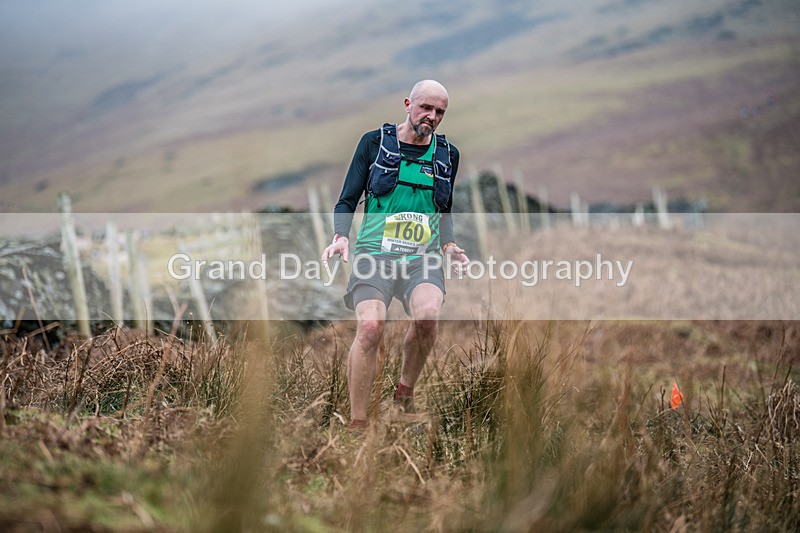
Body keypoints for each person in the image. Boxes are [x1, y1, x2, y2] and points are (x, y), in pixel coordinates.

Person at [321, 80, 469, 429]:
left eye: (440, 112)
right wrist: (340, 237)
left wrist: (448, 245)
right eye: (426, 108)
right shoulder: (374, 143)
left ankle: (404, 395)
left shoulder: (448, 155)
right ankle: (358, 424)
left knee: (428, 317)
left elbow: (443, 210)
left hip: (422, 258)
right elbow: (346, 199)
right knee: (371, 327)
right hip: (374, 255)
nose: (432, 117)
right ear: (408, 104)